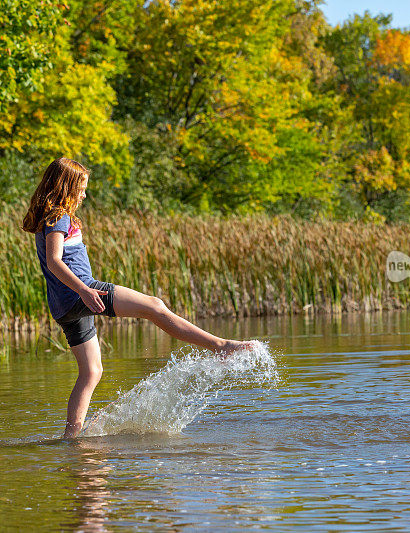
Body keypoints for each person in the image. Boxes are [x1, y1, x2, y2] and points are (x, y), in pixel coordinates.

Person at [22, 157, 256, 439]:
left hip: (62, 305)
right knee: (155, 306)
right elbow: (54, 260)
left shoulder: (49, 215)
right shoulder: (58, 215)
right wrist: (84, 290)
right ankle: (221, 346)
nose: (84, 194)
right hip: (82, 292)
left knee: (92, 371)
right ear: (65, 187)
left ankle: (71, 439)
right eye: (81, 188)